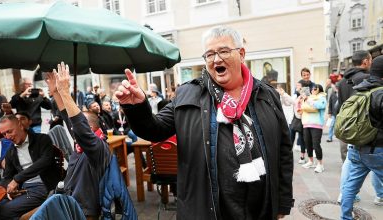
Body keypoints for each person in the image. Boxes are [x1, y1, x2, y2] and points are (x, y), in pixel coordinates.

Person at [116, 26, 294, 219]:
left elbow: (284, 150)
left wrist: (283, 202)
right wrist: (137, 107)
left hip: (261, 209)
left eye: (224, 51)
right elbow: (154, 130)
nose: (216, 59)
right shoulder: (187, 94)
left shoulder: (267, 95)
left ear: (241, 54)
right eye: (209, 54)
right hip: (207, 210)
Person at [45, 64, 111, 219]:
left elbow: (78, 125)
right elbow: (67, 116)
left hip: (84, 210)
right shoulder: (80, 141)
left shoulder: (98, 147)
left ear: (89, 129)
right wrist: (55, 92)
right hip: (68, 201)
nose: (72, 128)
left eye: (78, 127)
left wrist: (65, 92)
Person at [340, 55, 383, 219]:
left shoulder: (360, 88)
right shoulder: (380, 93)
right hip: (376, 150)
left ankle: (345, 217)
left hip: (357, 148)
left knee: (350, 186)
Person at [0, 114, 61, 219]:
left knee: (3, 212)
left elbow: (45, 161)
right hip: (24, 189)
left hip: (44, 186)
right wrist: (8, 191)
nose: (7, 137)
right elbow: (7, 177)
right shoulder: (11, 151)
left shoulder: (42, 139)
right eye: (4, 134)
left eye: (9, 131)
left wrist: (17, 179)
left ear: (20, 125)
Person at [300, 84, 327, 173]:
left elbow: (320, 106)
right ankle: (311, 161)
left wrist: (308, 101)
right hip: (306, 124)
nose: (313, 90)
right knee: (308, 144)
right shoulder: (308, 97)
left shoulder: (322, 97)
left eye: (315, 89)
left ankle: (320, 164)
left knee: (316, 144)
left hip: (317, 125)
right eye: (312, 89)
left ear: (319, 89)